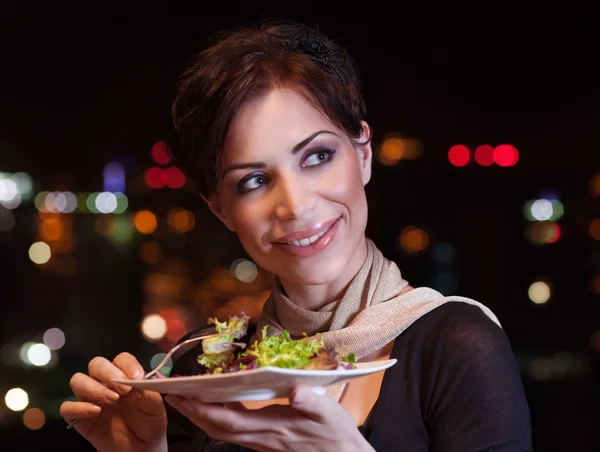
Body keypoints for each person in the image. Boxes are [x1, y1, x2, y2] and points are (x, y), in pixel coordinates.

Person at [60, 19, 533, 451]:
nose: (295, 205)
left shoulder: (455, 344)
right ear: (220, 209)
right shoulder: (201, 371)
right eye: (254, 181)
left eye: (317, 157)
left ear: (363, 153)